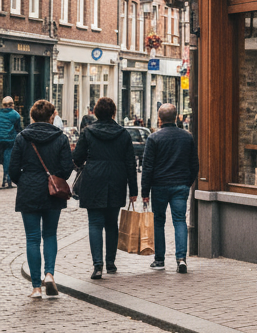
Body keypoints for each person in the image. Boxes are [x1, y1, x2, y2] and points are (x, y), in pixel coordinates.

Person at [9, 99, 74, 298]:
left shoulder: (22, 137)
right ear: (51, 116)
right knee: (50, 234)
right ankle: (49, 274)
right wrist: (55, 178)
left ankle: (36, 287)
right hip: (52, 192)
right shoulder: (61, 138)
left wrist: (25, 180)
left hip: (29, 189)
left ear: (32, 116)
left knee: (32, 238)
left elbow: (12, 168)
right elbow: (67, 168)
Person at [74, 96, 137, 280]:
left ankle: (97, 265)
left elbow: (77, 158)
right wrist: (134, 190)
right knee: (111, 223)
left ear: (96, 112)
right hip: (117, 179)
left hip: (94, 179)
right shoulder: (123, 134)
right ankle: (110, 263)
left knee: (94, 223)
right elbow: (130, 164)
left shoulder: (88, 132)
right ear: (113, 113)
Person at [141, 103, 198, 273]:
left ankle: (159, 260)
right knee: (180, 221)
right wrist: (187, 182)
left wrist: (145, 192)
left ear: (159, 118)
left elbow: (147, 167)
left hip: (159, 186)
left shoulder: (154, 138)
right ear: (177, 117)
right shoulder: (187, 137)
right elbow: (194, 164)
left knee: (158, 222)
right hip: (180, 185)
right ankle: (181, 259)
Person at [0, 96, 23, 188]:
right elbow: (18, 129)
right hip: (9, 140)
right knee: (8, 159)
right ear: (12, 105)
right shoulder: (15, 115)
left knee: (3, 159)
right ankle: (7, 179)